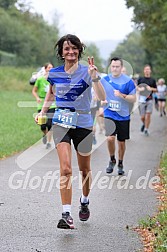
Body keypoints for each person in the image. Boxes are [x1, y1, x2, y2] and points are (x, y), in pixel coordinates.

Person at [35, 34, 106, 229]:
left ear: (79, 51)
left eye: (74, 48)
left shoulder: (87, 72)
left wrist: (95, 78)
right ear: (61, 52)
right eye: (66, 49)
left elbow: (102, 96)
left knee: (84, 170)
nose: (71, 51)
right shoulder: (54, 74)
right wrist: (41, 112)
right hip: (61, 122)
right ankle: (66, 213)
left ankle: (84, 200)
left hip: (83, 122)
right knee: (65, 168)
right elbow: (50, 94)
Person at [100, 57, 136, 175]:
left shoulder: (128, 81)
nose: (115, 68)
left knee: (121, 142)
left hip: (123, 116)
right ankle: (112, 159)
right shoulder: (105, 80)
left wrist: (122, 95)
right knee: (110, 138)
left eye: (117, 66)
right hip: (109, 113)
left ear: (121, 67)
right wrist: (101, 101)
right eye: (113, 66)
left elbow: (133, 98)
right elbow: (98, 93)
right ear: (111, 67)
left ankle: (120, 163)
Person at [32, 62, 56, 149]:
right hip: (42, 102)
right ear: (45, 69)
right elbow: (34, 91)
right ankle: (45, 135)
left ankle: (49, 142)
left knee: (49, 124)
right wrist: (37, 97)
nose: (50, 69)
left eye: (52, 68)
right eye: (49, 67)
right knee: (42, 125)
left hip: (52, 104)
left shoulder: (54, 80)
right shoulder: (40, 79)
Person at [137, 64, 157, 136]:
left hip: (150, 99)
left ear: (150, 71)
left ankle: (146, 129)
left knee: (148, 115)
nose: (147, 70)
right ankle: (144, 123)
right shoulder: (140, 79)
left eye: (148, 69)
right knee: (142, 117)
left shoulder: (153, 80)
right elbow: (136, 87)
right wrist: (140, 89)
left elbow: (156, 89)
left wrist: (151, 88)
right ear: (144, 70)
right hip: (142, 99)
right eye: (146, 69)